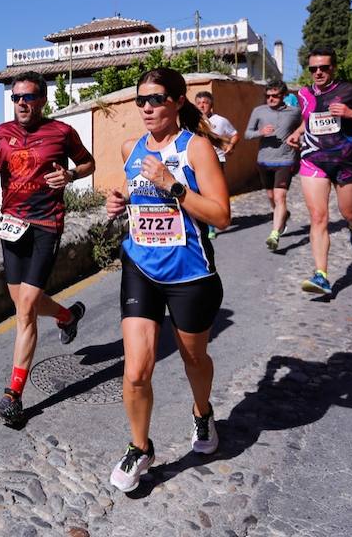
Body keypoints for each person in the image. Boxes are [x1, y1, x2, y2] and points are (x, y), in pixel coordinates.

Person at [105, 68, 230, 492]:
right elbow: (130, 192)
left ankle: (202, 413)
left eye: (155, 99)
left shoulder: (196, 149)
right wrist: (118, 200)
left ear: (177, 101)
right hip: (140, 266)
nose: (146, 107)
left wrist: (173, 186)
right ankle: (140, 447)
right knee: (136, 369)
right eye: (140, 100)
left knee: (194, 359)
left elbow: (221, 216)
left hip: (190, 273)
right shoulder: (131, 146)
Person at [0, 71, 95, 426]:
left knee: (26, 309)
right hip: (12, 227)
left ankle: (12, 396)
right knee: (23, 303)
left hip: (46, 224)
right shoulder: (2, 132)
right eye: (16, 98)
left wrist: (72, 176)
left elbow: (88, 162)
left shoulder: (61, 132)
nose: (21, 104)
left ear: (42, 100)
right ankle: (66, 316)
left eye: (28, 97)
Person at [285, 47, 352, 295]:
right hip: (313, 160)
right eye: (313, 68)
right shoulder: (304, 93)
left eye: (324, 68)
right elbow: (309, 119)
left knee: (347, 211)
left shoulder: (350, 90)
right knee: (318, 217)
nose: (318, 72)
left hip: (345, 161)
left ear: (333, 68)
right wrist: (297, 134)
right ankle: (321, 276)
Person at [244, 80, 303, 251]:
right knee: (271, 197)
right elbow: (247, 134)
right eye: (268, 96)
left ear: (284, 95)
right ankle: (283, 215)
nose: (270, 99)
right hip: (264, 160)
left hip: (285, 160)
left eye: (275, 96)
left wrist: (299, 140)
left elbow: (304, 127)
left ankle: (274, 234)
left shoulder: (294, 112)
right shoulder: (259, 111)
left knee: (279, 197)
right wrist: (260, 132)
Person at [194, 91, 239, 240]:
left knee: (212, 194)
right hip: (196, 161)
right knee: (197, 192)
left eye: (205, 102)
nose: (201, 105)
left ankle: (211, 227)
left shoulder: (220, 121)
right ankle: (200, 224)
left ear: (211, 104)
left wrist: (231, 146)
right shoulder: (193, 121)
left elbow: (234, 134)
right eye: (198, 103)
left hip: (216, 161)